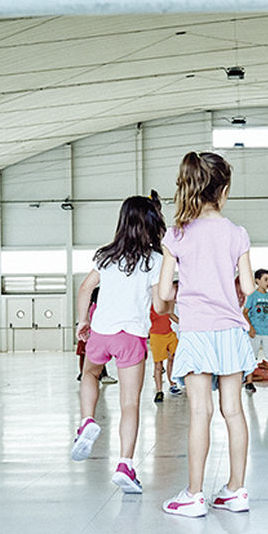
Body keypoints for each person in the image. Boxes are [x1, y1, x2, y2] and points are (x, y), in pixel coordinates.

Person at [157, 152, 257, 518]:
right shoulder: (237, 233)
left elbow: (166, 293)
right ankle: (236, 489)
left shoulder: (177, 234)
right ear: (224, 191)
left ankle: (194, 495)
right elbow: (247, 285)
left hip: (197, 330)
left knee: (201, 411)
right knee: (234, 410)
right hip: (231, 330)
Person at [70, 196, 167, 496]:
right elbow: (160, 305)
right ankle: (125, 464)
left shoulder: (106, 256)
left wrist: (81, 321)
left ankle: (87, 420)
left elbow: (86, 287)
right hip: (131, 335)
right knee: (130, 403)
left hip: (100, 330)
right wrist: (168, 300)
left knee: (90, 374)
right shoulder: (156, 260)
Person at [149, 285, 180, 403]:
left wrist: (185, 324)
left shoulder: (167, 304)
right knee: (158, 365)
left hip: (169, 334)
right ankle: (159, 391)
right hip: (156, 336)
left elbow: (172, 315)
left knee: (173, 357)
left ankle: (172, 384)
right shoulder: (151, 306)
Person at [75, 288, 111, 384]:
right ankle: (101, 375)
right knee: (96, 357)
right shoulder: (96, 308)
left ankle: (85, 374)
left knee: (91, 356)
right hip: (92, 335)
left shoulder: (92, 307)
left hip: (90, 334)